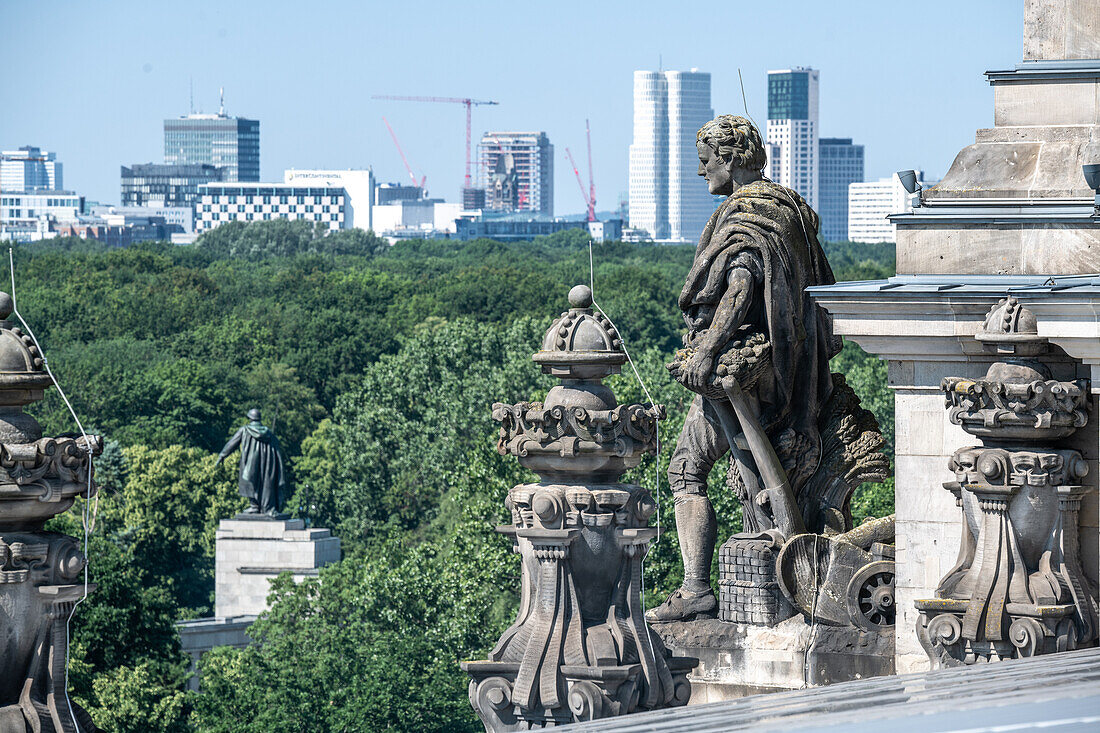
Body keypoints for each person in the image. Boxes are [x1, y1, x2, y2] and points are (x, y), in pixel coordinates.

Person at [647, 115, 839, 623]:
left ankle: (697, 587)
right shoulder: (788, 207)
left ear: (729, 159)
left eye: (705, 162)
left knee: (687, 470)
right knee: (755, 477)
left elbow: (741, 284)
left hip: (746, 373)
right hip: (789, 371)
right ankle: (780, 570)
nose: (701, 172)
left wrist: (707, 351)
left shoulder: (746, 215)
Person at [216, 408, 288, 516]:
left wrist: (222, 455)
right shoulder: (269, 433)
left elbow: (232, 443)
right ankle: (265, 507)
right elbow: (277, 449)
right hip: (267, 463)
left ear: (250, 418)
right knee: (265, 483)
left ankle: (254, 506)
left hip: (250, 464)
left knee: (250, 482)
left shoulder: (245, 430)